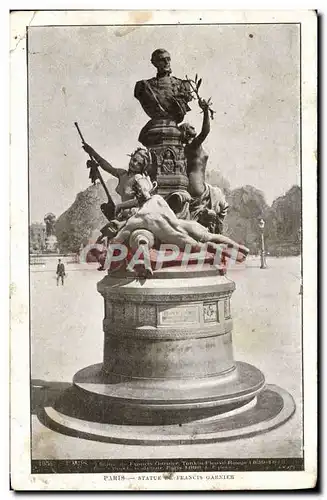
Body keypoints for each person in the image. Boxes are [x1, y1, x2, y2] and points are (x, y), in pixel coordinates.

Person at [114, 175, 249, 262]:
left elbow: (118, 239)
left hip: (177, 237)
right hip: (186, 225)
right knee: (211, 237)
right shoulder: (158, 199)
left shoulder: (138, 218)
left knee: (206, 246)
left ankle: (231, 254)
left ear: (136, 196)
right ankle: (240, 248)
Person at [179, 99, 229, 233]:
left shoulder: (190, 148)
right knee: (221, 205)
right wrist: (206, 110)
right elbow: (205, 131)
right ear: (185, 132)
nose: (193, 127)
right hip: (198, 187)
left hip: (196, 186)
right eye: (189, 126)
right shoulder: (193, 146)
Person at [134, 49, 193, 125]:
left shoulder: (183, 85)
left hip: (173, 127)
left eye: (168, 59)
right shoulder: (143, 86)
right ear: (154, 63)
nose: (166, 62)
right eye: (162, 60)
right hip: (155, 126)